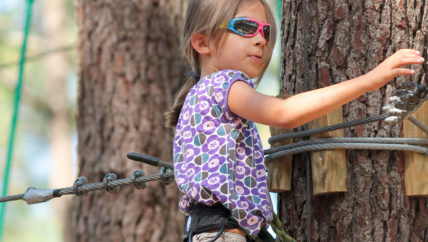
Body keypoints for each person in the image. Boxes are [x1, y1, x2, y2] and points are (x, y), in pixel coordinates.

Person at [165, 0, 425, 241]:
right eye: (246, 27)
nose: (260, 40)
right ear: (202, 42)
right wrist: (369, 81)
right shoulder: (223, 85)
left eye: (266, 32)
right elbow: (283, 113)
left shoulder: (201, 94)